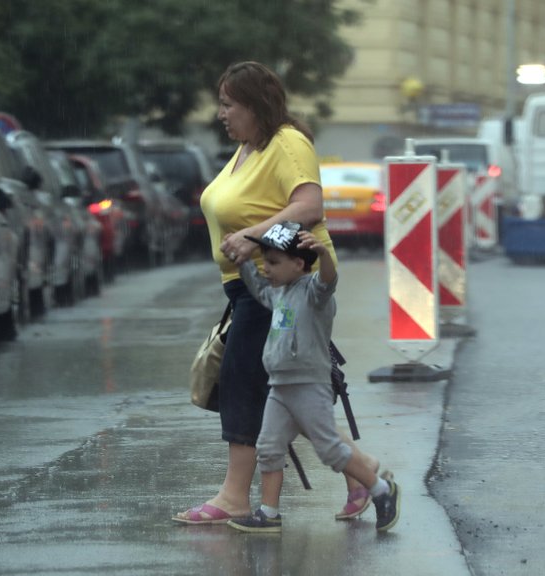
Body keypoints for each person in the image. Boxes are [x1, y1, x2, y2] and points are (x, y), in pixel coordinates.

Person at [172, 61, 374, 525]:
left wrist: (252, 237)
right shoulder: (248, 149)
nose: (220, 114)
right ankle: (360, 475)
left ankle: (234, 498)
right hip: (252, 285)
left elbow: (309, 204)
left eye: (228, 104)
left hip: (283, 285)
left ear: (255, 105)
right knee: (286, 389)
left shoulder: (287, 143)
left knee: (244, 383)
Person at [224, 221, 401, 533]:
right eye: (266, 261)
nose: (267, 268)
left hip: (308, 386)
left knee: (330, 449)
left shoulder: (315, 294)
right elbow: (255, 284)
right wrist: (241, 259)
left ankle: (381, 491)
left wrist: (325, 255)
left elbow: (329, 280)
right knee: (268, 447)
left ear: (299, 263)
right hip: (279, 387)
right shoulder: (277, 294)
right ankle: (269, 512)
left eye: (274, 262)